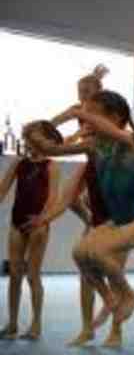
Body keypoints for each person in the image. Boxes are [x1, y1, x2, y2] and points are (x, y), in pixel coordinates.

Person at [32, 90, 134, 347]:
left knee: (99, 254)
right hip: (111, 224)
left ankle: (127, 300)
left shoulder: (130, 140)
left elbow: (111, 131)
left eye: (93, 115)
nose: (86, 122)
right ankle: (109, 301)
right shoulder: (94, 147)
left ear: (116, 117)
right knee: (80, 253)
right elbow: (53, 149)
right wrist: (39, 132)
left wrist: (79, 112)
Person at [0, 121, 62, 340]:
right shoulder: (19, 163)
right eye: (27, 137)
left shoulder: (51, 165)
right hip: (17, 222)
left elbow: (53, 197)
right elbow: (2, 190)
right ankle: (12, 324)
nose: (29, 142)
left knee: (33, 275)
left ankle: (36, 324)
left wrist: (42, 219)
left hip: (38, 224)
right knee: (14, 274)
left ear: (47, 140)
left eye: (34, 137)